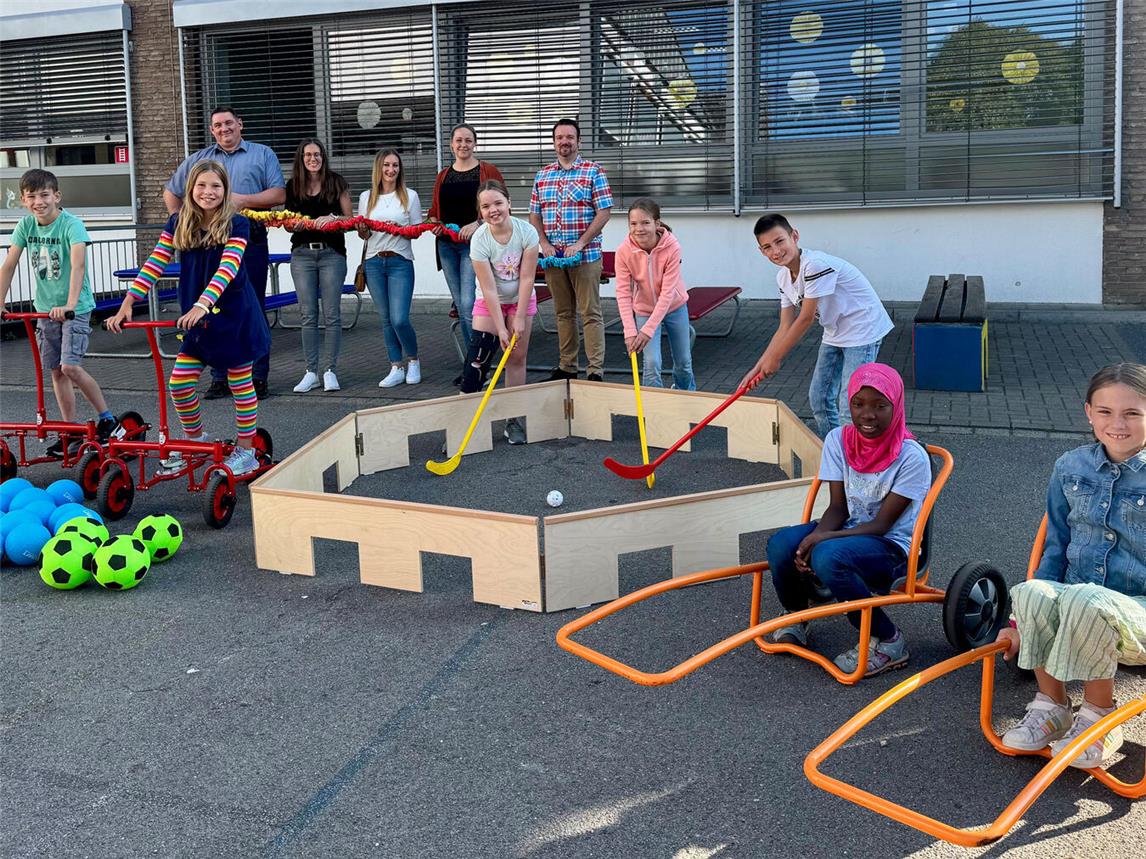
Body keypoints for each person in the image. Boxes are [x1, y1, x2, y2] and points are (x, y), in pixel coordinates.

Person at [998, 363, 1146, 769]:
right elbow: (1056, 544)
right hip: (1079, 600)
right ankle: (1053, 706)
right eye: (1105, 412)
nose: (1117, 423)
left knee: (1085, 598)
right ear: (1088, 412)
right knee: (1030, 590)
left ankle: (1100, 718)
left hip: (1138, 611)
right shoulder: (1070, 467)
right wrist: (1019, 624)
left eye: (1132, 413)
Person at [766, 363, 931, 677]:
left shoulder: (911, 457)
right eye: (858, 405)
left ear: (896, 407)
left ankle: (888, 640)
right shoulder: (838, 440)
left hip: (891, 547)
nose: (867, 415)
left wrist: (821, 540)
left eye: (880, 406)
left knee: (828, 556)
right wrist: (806, 545)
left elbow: (883, 525)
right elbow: (838, 509)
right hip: (849, 531)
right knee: (781, 545)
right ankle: (796, 616)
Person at [108, 161, 269, 477]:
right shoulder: (179, 222)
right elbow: (156, 262)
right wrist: (128, 302)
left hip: (234, 317)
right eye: (202, 186)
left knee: (239, 383)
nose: (208, 193)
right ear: (191, 189)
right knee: (179, 384)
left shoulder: (236, 224)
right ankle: (196, 443)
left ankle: (247, 451)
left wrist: (202, 304)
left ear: (225, 191)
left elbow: (229, 268)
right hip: (197, 322)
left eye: (216, 187)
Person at [165, 106, 284, 400]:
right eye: (217, 125)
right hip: (205, 240)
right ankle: (219, 377)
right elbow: (171, 191)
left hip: (246, 236)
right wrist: (185, 223)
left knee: (249, 305)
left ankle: (256, 375)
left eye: (229, 122)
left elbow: (279, 195)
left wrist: (243, 199)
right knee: (207, 302)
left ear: (239, 123)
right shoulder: (198, 159)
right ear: (212, 129)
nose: (223, 129)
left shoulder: (262, 153)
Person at [739, 214, 893, 438]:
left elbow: (806, 318)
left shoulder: (815, 265)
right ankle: (834, 451)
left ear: (795, 236)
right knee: (819, 398)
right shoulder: (783, 278)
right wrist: (759, 366)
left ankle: (855, 462)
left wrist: (776, 359)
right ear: (762, 251)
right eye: (767, 247)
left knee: (850, 403)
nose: (776, 251)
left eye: (780, 241)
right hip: (835, 331)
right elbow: (784, 326)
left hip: (863, 329)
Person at [0, 169, 118, 456]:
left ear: (57, 196)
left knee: (70, 366)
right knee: (56, 371)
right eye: (31, 197)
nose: (38, 202)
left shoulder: (71, 225)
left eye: (44, 195)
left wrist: (69, 304)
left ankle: (107, 419)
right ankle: (70, 431)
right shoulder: (26, 226)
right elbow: (9, 264)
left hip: (73, 309)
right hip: (44, 310)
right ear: (24, 201)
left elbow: (78, 265)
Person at [529, 118, 613, 382]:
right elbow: (534, 214)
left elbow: (604, 212)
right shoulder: (543, 175)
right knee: (563, 313)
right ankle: (567, 366)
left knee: (590, 313)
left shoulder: (593, 171)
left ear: (578, 141)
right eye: (559, 137)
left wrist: (581, 242)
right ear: (554, 142)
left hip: (585, 256)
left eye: (569, 137)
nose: (564, 142)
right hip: (554, 259)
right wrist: (543, 243)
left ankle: (595, 370)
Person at [426, 123, 505, 383]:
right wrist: (435, 225)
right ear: (451, 145)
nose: (463, 145)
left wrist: (478, 223)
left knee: (470, 304)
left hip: (476, 246)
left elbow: (500, 208)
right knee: (461, 305)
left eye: (468, 140)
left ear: (475, 143)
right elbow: (434, 212)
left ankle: (477, 366)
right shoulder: (443, 175)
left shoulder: (487, 171)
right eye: (458, 140)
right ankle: (475, 365)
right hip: (447, 247)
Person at [466, 180, 540, 445]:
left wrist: (519, 317)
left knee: (517, 359)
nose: (493, 210)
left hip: (521, 299)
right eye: (486, 206)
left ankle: (513, 421)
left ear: (508, 202)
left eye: (498, 203)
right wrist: (500, 328)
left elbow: (527, 278)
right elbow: (488, 288)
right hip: (490, 302)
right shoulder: (479, 239)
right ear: (480, 211)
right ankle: (468, 424)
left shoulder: (527, 232)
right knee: (477, 360)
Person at [284, 138, 352, 394]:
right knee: (307, 314)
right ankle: (311, 372)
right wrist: (295, 224)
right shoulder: (293, 186)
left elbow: (351, 220)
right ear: (301, 159)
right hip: (302, 255)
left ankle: (330, 370)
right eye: (308, 155)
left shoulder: (336, 182)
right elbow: (287, 221)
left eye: (318, 154)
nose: (313, 159)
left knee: (332, 314)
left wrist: (333, 218)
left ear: (324, 157)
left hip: (332, 254)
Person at [614, 197, 695, 391]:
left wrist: (647, 331)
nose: (638, 229)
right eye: (633, 224)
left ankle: (687, 399)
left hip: (675, 307)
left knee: (683, 362)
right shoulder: (624, 251)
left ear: (657, 223)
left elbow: (667, 294)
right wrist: (630, 331)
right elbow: (623, 293)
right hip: (644, 310)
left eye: (645, 223)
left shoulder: (672, 247)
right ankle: (653, 413)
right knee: (651, 365)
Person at [357, 149, 423, 388]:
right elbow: (362, 232)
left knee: (400, 319)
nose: (391, 170)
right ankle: (396, 365)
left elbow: (416, 231)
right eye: (386, 165)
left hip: (400, 261)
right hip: (374, 262)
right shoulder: (367, 197)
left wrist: (398, 228)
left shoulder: (409, 196)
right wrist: (364, 228)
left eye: (395, 165)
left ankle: (414, 359)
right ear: (379, 168)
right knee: (386, 319)